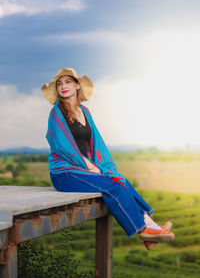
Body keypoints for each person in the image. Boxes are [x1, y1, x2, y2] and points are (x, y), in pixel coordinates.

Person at [41, 68, 175, 250]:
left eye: (68, 82)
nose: (63, 86)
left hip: (84, 170)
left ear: (77, 85)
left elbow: (98, 144)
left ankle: (150, 230)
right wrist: (86, 164)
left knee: (119, 180)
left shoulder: (85, 112)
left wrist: (107, 169)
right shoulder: (56, 113)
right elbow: (61, 145)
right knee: (113, 186)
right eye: (59, 83)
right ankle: (146, 230)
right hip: (65, 173)